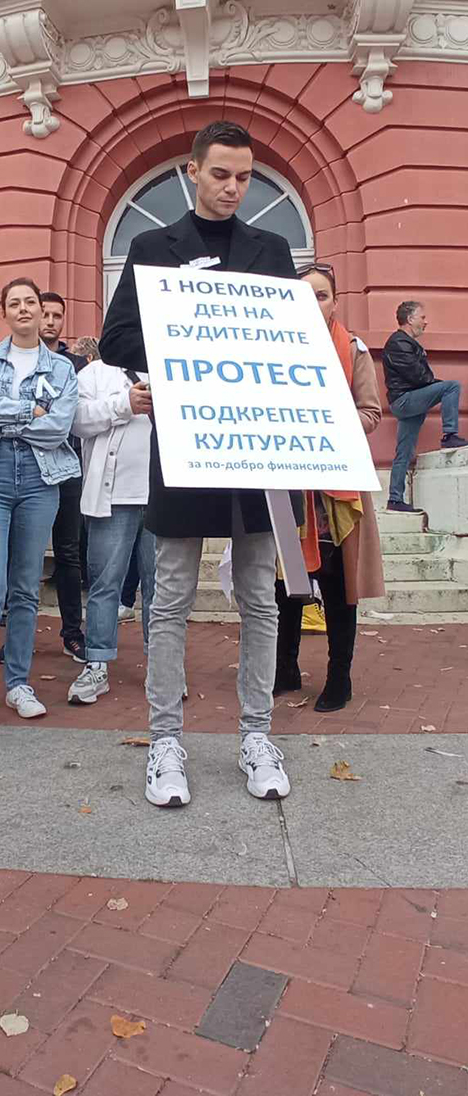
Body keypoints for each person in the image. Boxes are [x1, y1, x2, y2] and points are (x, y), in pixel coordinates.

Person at [99, 120, 293, 808]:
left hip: (260, 452)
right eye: (220, 175)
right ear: (192, 171)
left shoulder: (271, 251)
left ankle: (256, 735)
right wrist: (162, 362)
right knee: (171, 599)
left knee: (261, 602)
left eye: (244, 176)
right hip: (185, 447)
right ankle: (165, 742)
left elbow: (291, 345)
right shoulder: (153, 246)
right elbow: (116, 334)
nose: (233, 188)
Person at [0, 278, 79, 741]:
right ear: (3, 312)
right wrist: (32, 413)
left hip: (41, 478)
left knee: (26, 588)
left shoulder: (64, 368)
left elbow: (60, 428)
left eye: (31, 302)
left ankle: (18, 684)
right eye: (15, 303)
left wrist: (9, 412)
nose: (24, 309)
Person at [275, 263, 385, 711]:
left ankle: (339, 677)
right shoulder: (274, 350)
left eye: (320, 295)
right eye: (303, 296)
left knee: (339, 586)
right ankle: (284, 670)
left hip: (338, 490)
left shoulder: (354, 350)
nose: (313, 303)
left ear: (335, 301)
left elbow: (371, 413)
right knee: (285, 585)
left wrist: (325, 422)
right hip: (288, 484)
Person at [68, 355, 155, 705]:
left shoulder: (170, 362)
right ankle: (97, 664)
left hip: (164, 495)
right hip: (112, 495)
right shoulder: (93, 372)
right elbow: (76, 421)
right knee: (104, 584)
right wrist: (125, 403)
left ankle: (162, 667)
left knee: (160, 590)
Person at [39, 291, 88, 662]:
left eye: (57, 315)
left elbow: (73, 413)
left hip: (67, 467)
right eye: (46, 313)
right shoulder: (11, 359)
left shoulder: (77, 365)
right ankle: (19, 636)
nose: (51, 321)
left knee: (69, 554)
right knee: (24, 554)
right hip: (26, 467)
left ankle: (72, 633)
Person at [383, 300, 466, 512]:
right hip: (405, 400)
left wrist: (431, 382)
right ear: (410, 319)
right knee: (452, 387)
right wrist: (434, 383)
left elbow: (422, 378)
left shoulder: (406, 343)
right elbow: (419, 376)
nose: (425, 322)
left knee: (404, 452)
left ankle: (394, 499)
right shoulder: (399, 343)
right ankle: (449, 435)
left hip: (408, 399)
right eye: (422, 317)